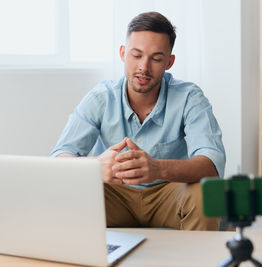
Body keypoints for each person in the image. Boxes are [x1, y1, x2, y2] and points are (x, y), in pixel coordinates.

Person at [51, 11, 225, 230]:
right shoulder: (100, 98)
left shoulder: (190, 97)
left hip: (169, 194)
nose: (144, 67)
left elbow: (212, 164)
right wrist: (94, 166)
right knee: (70, 192)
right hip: (114, 196)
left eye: (156, 58)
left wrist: (158, 168)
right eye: (137, 55)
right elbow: (60, 157)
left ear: (169, 62)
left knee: (205, 194)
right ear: (123, 53)